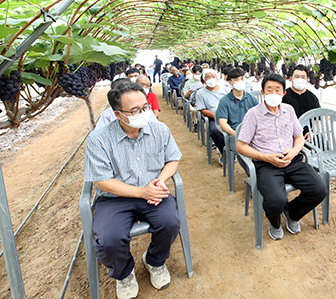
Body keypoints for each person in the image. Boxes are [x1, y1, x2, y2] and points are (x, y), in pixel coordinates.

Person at [84, 83, 182, 299]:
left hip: (153, 190)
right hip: (115, 198)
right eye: (135, 111)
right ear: (117, 114)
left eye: (145, 107)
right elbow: (103, 182)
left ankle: (154, 261)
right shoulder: (98, 139)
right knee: (109, 239)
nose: (143, 113)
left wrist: (160, 180)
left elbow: (173, 159)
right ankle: (124, 273)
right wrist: (141, 193)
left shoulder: (160, 129)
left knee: (170, 222)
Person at [236, 73, 327, 241]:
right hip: (266, 164)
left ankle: (291, 213)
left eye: (277, 90)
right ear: (262, 92)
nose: (273, 93)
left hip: (291, 159)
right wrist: (266, 157)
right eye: (269, 89)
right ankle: (275, 222)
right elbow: (241, 146)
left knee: (319, 189)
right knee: (276, 200)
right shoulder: (253, 114)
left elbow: (299, 137)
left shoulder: (289, 110)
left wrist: (293, 152)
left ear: (283, 93)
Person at [193, 69, 229, 161]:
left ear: (217, 78)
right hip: (214, 117)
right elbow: (203, 110)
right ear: (204, 80)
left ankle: (235, 151)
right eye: (208, 77)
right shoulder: (200, 93)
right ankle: (224, 152)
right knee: (214, 131)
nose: (211, 78)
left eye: (213, 76)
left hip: (229, 115)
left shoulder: (226, 89)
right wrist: (217, 116)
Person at [216, 67, 258, 137]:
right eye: (236, 80)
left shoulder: (252, 98)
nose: (240, 81)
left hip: (251, 132)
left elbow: (259, 117)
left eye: (242, 79)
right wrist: (236, 134)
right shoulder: (224, 101)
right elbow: (223, 123)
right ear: (230, 83)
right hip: (234, 133)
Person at [282, 64, 320, 140]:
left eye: (303, 77)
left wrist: (312, 131)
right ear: (291, 78)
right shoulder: (283, 96)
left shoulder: (313, 98)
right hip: (288, 135)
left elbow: (317, 119)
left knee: (324, 145)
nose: (300, 79)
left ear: (307, 80)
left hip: (308, 134)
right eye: (296, 76)